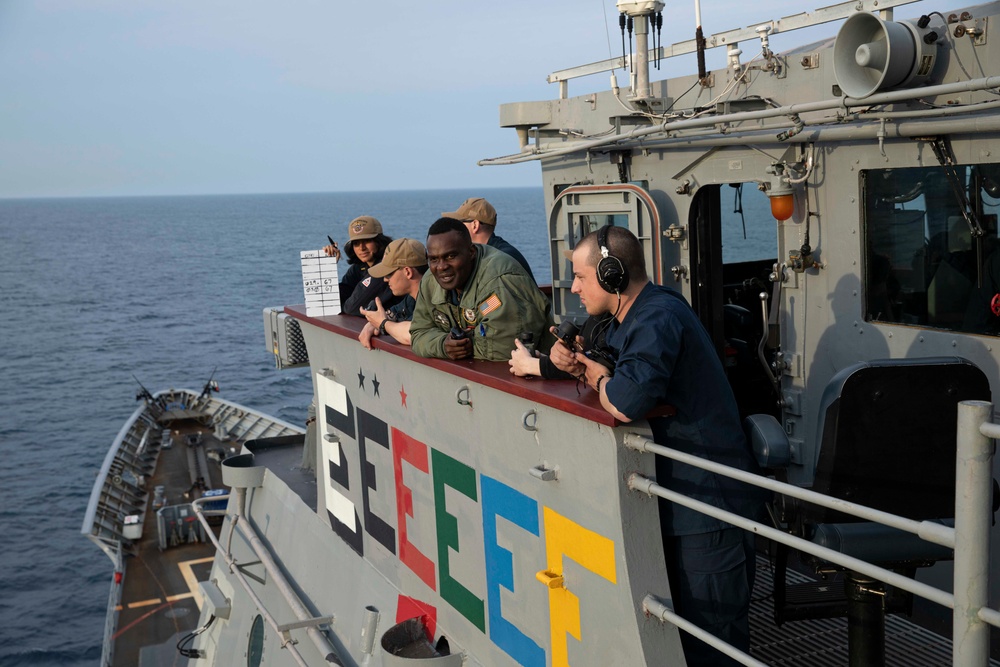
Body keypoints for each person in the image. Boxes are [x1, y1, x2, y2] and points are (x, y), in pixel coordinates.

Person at [557, 225, 763, 667]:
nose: (573, 287)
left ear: (612, 275)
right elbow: (616, 369)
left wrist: (592, 376)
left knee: (711, 643)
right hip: (681, 503)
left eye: (580, 276)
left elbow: (627, 401)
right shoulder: (635, 316)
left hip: (707, 505)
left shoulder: (656, 317)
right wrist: (580, 365)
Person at [409, 217, 554, 361]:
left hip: (540, 375)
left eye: (451, 256)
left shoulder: (498, 280)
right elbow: (418, 333)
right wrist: (443, 345)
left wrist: (464, 345)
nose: (441, 267)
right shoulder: (430, 281)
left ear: (471, 252)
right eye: (434, 259)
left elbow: (506, 348)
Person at [442, 197, 535, 281]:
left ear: (475, 225)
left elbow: (496, 298)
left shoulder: (500, 260)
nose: (455, 228)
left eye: (460, 223)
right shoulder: (488, 254)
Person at [323, 215, 400, 316]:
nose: (361, 248)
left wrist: (340, 307)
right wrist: (327, 265)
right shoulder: (358, 267)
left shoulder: (385, 266)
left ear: (379, 242)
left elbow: (351, 308)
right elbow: (327, 301)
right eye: (356, 243)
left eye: (367, 241)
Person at [357, 238, 428, 349]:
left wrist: (383, 324)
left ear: (408, 272)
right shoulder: (412, 298)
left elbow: (417, 334)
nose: (385, 279)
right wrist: (372, 323)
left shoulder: (434, 296)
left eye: (389, 274)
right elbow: (395, 312)